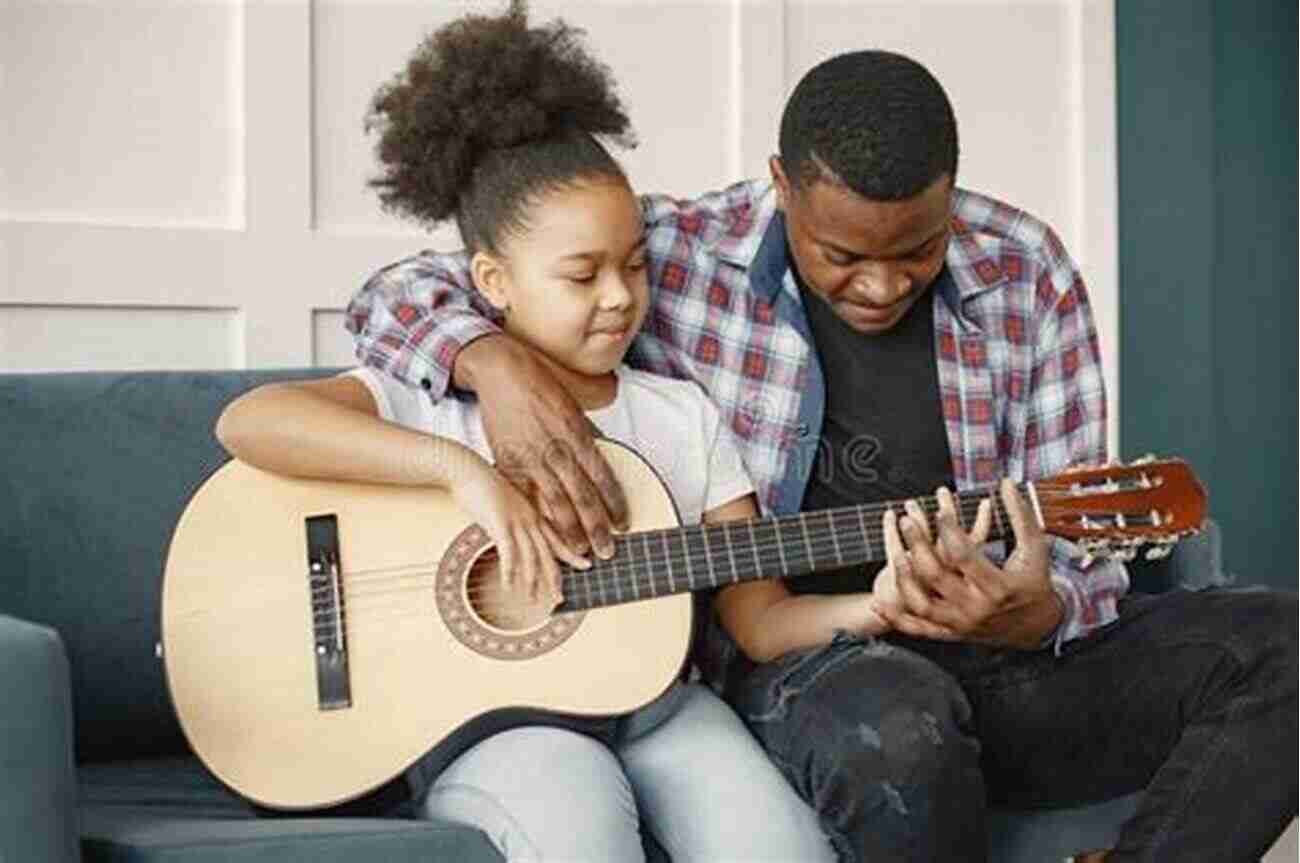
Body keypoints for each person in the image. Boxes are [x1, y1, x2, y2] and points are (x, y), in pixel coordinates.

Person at [345, 42, 1299, 862]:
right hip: (807, 661)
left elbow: (1082, 564)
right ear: (780, 187)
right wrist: (493, 366)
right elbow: (397, 294)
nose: (882, 282)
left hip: (1001, 663)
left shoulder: (1028, 271)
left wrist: (1032, 609)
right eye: (841, 253)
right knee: (899, 728)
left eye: (918, 248)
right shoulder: (674, 253)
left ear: (950, 197)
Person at [214, 4, 836, 861]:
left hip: (659, 710)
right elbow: (249, 421)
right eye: (582, 274)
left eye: (634, 265)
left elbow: (760, 620)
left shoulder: (681, 417)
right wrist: (461, 474)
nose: (619, 296)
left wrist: (886, 601)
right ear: (492, 279)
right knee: (578, 825)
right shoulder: (436, 395)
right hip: (491, 729)